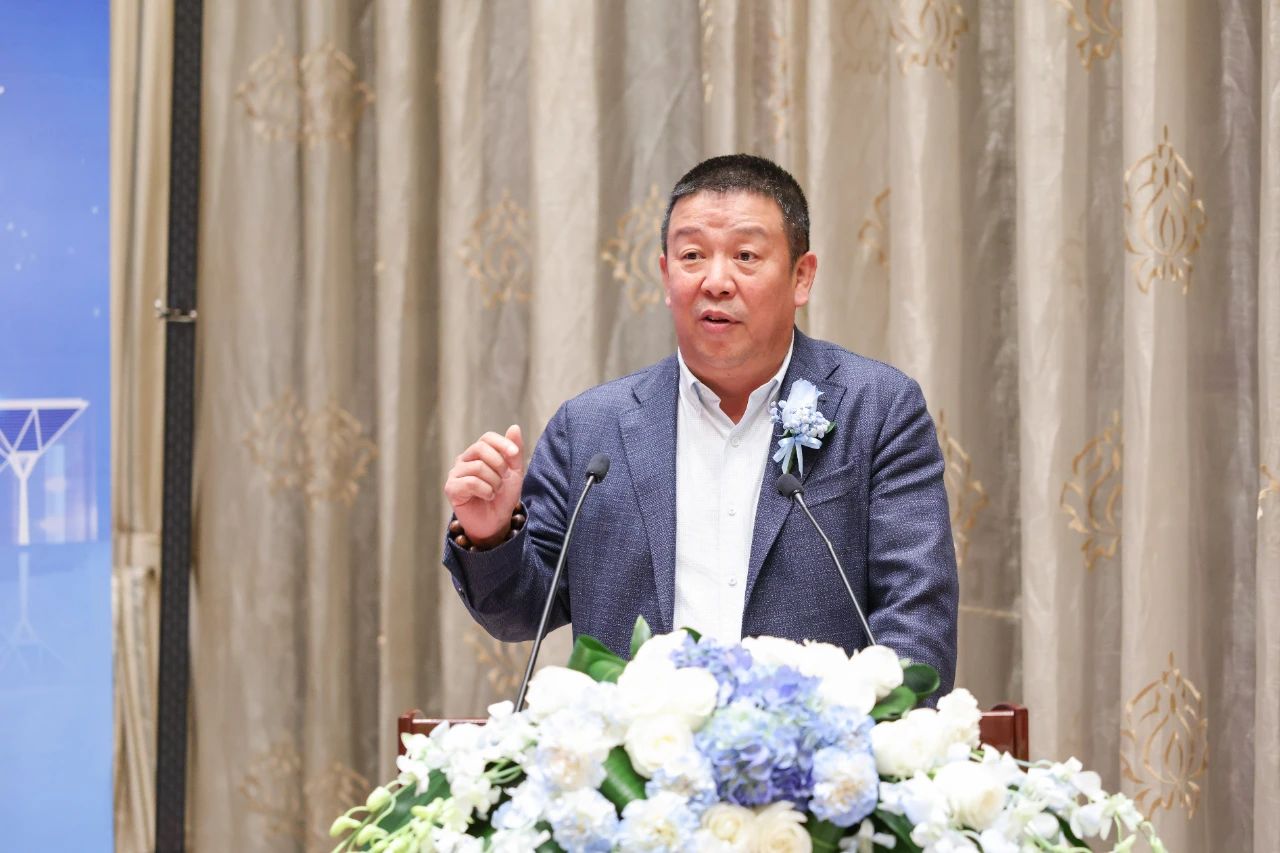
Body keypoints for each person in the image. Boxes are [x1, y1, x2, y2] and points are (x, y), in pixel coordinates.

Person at [442, 154, 959, 692]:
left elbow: (916, 622)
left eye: (745, 256)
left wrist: (869, 732)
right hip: (641, 742)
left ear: (801, 277)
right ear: (667, 277)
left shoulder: (878, 409)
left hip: (814, 742)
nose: (716, 281)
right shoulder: (591, 429)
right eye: (692, 256)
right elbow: (518, 613)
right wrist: (490, 534)